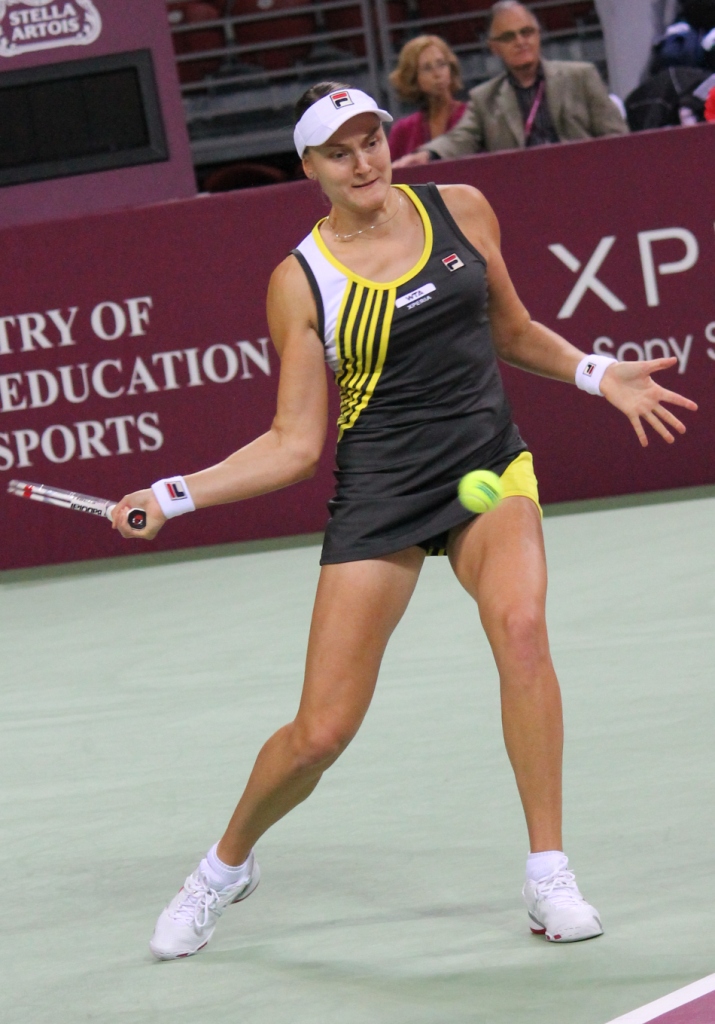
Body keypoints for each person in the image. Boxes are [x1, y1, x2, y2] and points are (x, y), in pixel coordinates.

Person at [113, 82, 696, 961]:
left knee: (521, 627)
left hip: (486, 467)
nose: (363, 162)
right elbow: (293, 444)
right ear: (309, 168)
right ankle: (223, 868)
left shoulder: (460, 209)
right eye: (339, 151)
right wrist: (173, 494)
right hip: (381, 491)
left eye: (372, 140)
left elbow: (514, 331)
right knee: (319, 733)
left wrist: (595, 373)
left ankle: (547, 871)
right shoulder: (300, 281)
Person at [393, 0, 628, 168]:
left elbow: (619, 139)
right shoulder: (484, 99)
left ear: (538, 34)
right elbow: (460, 139)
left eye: (527, 32)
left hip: (584, 178)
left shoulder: (581, 77)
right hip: (522, 192)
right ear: (493, 47)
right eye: (508, 37)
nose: (520, 41)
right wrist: (428, 155)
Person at [387, 35, 468, 160]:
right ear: (414, 77)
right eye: (427, 68)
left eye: (441, 64)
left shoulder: (470, 116)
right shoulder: (403, 130)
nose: (437, 74)